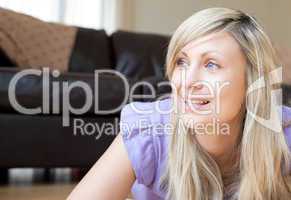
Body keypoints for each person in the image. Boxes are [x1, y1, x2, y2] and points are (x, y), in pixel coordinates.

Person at [67, 7, 291, 200]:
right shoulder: (149, 131)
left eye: (211, 64)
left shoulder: (283, 132)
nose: (187, 81)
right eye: (181, 62)